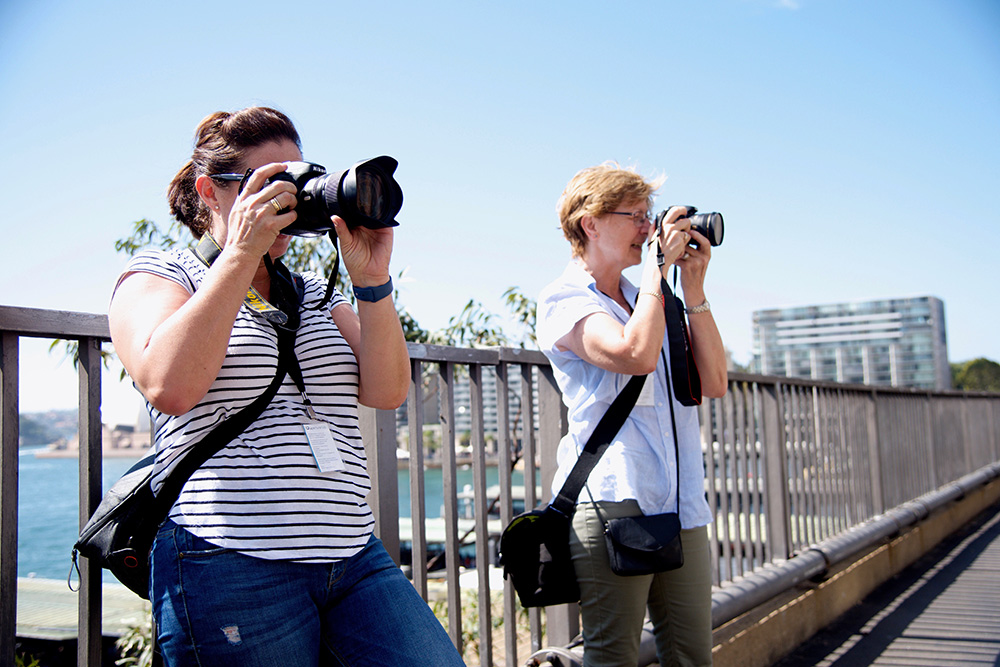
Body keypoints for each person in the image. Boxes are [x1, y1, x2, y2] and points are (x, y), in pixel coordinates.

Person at [109, 106, 465, 667]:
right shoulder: (162, 274)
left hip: (352, 553)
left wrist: (372, 280)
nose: (289, 199)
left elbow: (387, 390)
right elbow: (169, 386)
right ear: (210, 191)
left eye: (297, 180)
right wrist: (241, 254)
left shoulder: (314, 292)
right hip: (229, 558)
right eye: (269, 183)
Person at [536, 163, 728, 666]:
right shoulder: (565, 299)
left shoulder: (653, 297)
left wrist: (693, 287)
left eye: (649, 217)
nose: (649, 229)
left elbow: (714, 382)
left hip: (681, 501)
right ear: (590, 223)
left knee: (693, 656)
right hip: (613, 501)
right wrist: (655, 274)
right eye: (636, 217)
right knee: (612, 658)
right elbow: (633, 353)